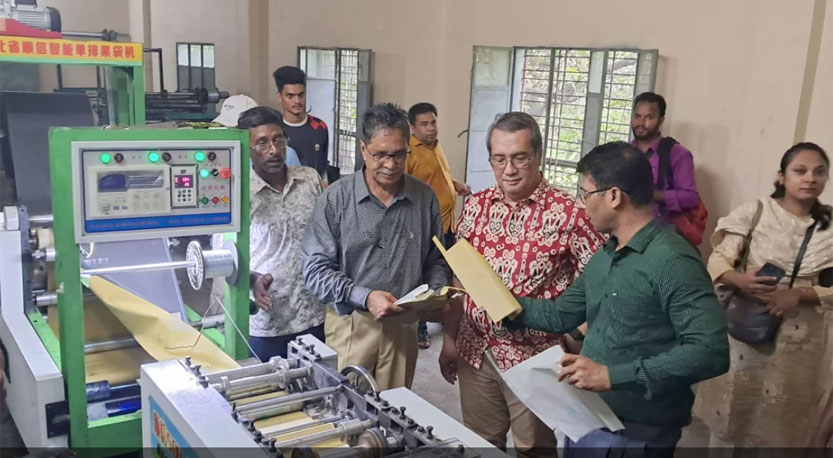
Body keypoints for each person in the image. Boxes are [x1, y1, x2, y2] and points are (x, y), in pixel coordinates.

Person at [505, 141, 729, 457]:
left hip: (639, 432)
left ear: (613, 196)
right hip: (589, 416)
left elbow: (711, 352)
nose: (582, 204)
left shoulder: (673, 260)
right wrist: (502, 302)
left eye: (585, 193)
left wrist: (612, 376)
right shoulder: (607, 254)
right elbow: (561, 314)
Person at [438, 112, 603, 457]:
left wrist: (578, 341)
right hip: (475, 351)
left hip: (535, 359)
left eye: (520, 158)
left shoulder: (571, 213)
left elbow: (600, 286)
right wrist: (450, 338)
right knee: (481, 444)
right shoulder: (476, 206)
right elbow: (460, 279)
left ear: (538, 155)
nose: (509, 170)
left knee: (533, 448)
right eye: (499, 159)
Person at [693, 142, 833, 449]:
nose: (810, 178)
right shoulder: (756, 212)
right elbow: (718, 260)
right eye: (800, 171)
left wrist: (800, 294)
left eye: (819, 172)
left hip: (803, 341)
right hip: (747, 329)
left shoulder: (830, 225)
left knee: (782, 427)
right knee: (731, 417)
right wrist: (739, 280)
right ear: (781, 176)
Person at [301, 103, 450, 390]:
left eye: (399, 154)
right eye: (380, 155)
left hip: (403, 327)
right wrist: (365, 297)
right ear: (363, 149)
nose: (390, 165)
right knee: (345, 407)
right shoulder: (336, 199)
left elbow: (436, 260)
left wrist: (434, 294)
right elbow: (314, 271)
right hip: (351, 325)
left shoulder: (424, 198)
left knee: (396, 408)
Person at [236, 106, 326, 361]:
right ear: (247, 148)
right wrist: (252, 279)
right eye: (262, 143)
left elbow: (327, 233)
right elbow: (225, 257)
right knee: (267, 384)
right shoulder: (240, 193)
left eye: (278, 140)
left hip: (312, 313)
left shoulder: (309, 179)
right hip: (267, 321)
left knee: (315, 382)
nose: (273, 150)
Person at [406, 102, 472, 349]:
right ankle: (420, 327)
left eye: (433, 122)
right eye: (424, 124)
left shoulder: (435, 146)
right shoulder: (409, 153)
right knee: (424, 276)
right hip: (425, 228)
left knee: (448, 274)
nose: (431, 128)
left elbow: (436, 176)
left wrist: (455, 185)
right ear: (413, 128)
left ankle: (447, 318)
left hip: (448, 224)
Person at [630, 92, 704, 244]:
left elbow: (690, 198)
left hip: (663, 237)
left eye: (649, 117)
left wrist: (652, 195)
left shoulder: (678, 154)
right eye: (637, 116)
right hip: (627, 232)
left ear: (661, 120)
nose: (641, 123)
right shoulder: (624, 152)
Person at [273, 66, 329, 182]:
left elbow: (323, 171)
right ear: (279, 97)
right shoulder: (274, 129)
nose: (297, 101)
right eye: (290, 96)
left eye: (301, 95)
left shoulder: (319, 127)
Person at [212, 94, 300, 166]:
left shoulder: (288, 155)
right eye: (224, 127)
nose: (228, 133)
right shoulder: (221, 154)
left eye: (233, 129)